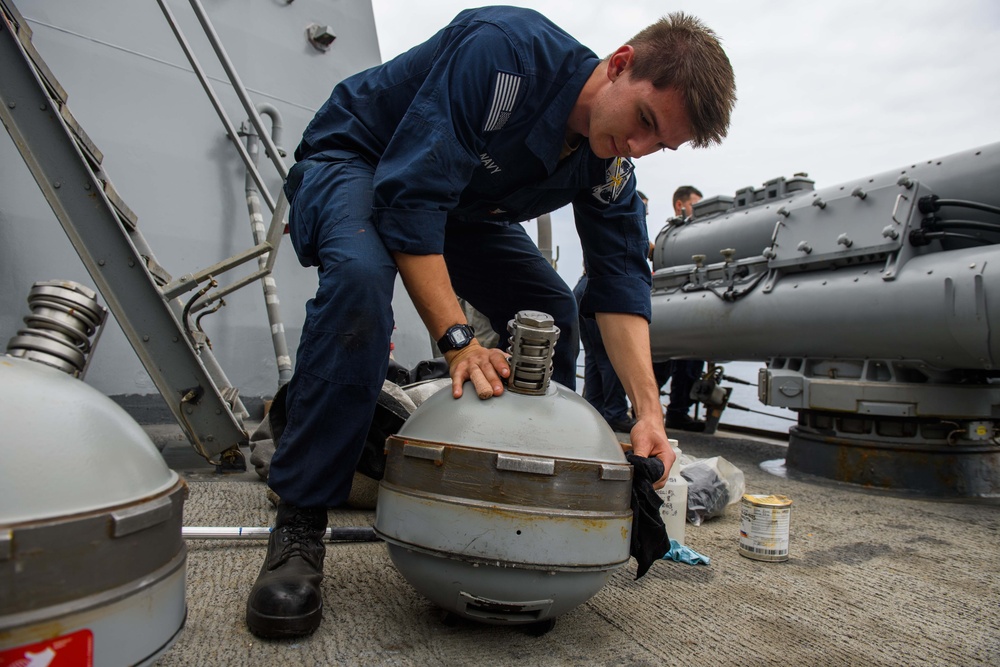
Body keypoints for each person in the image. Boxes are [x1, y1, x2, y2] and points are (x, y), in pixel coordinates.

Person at [247, 6, 735, 639]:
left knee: (552, 309)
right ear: (620, 65)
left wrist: (648, 412)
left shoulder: (610, 161)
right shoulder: (504, 54)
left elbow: (618, 283)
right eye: (643, 121)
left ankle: (526, 510)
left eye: (658, 143)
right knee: (362, 283)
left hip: (460, 208)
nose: (637, 148)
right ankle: (300, 522)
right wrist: (459, 342)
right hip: (360, 160)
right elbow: (410, 195)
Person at [574, 191, 650, 432]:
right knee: (612, 354)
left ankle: (593, 410)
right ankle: (616, 413)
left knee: (595, 356)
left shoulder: (607, 223)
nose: (643, 215)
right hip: (600, 288)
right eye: (643, 211)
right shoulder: (625, 229)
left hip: (583, 287)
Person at [653, 185, 707, 432]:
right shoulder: (674, 236)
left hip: (687, 308)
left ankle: (675, 412)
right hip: (673, 311)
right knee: (664, 366)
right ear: (680, 205)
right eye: (695, 204)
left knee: (688, 365)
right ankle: (654, 410)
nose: (697, 210)